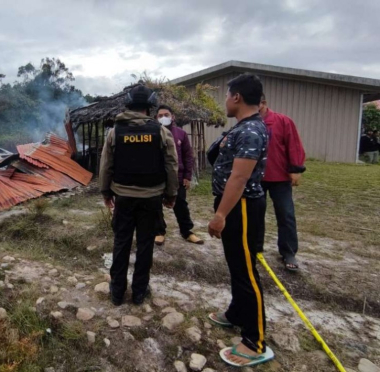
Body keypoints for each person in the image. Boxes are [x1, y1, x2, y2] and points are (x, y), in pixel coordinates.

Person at [206, 73, 273, 367]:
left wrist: (220, 214)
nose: (225, 100)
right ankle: (236, 313)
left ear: (236, 97)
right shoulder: (242, 127)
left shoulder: (251, 131)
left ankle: (255, 341)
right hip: (235, 205)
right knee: (236, 265)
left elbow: (240, 176)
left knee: (246, 271)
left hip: (242, 208)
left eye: (226, 95)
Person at [99, 85, 179, 306]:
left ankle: (116, 292)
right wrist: (171, 194)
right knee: (145, 245)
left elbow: (105, 165)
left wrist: (106, 192)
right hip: (151, 199)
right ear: (149, 108)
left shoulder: (115, 132)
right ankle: (139, 292)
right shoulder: (162, 132)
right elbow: (172, 165)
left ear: (129, 105)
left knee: (121, 243)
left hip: (123, 199)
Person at [258, 95, 306, 271]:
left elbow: (294, 145)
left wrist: (296, 169)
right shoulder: (249, 123)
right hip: (257, 178)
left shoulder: (282, 121)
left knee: (286, 215)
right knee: (256, 215)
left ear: (263, 104)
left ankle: (288, 252)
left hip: (280, 178)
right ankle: (256, 248)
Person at [154, 105, 204, 246]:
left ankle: (187, 232)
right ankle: (159, 232)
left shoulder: (181, 134)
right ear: (156, 118)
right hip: (158, 177)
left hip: (178, 176)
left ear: (172, 116)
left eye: (166, 114)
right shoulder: (154, 134)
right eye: (160, 115)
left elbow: (188, 156)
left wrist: (187, 176)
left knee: (181, 204)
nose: (164, 117)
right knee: (156, 205)